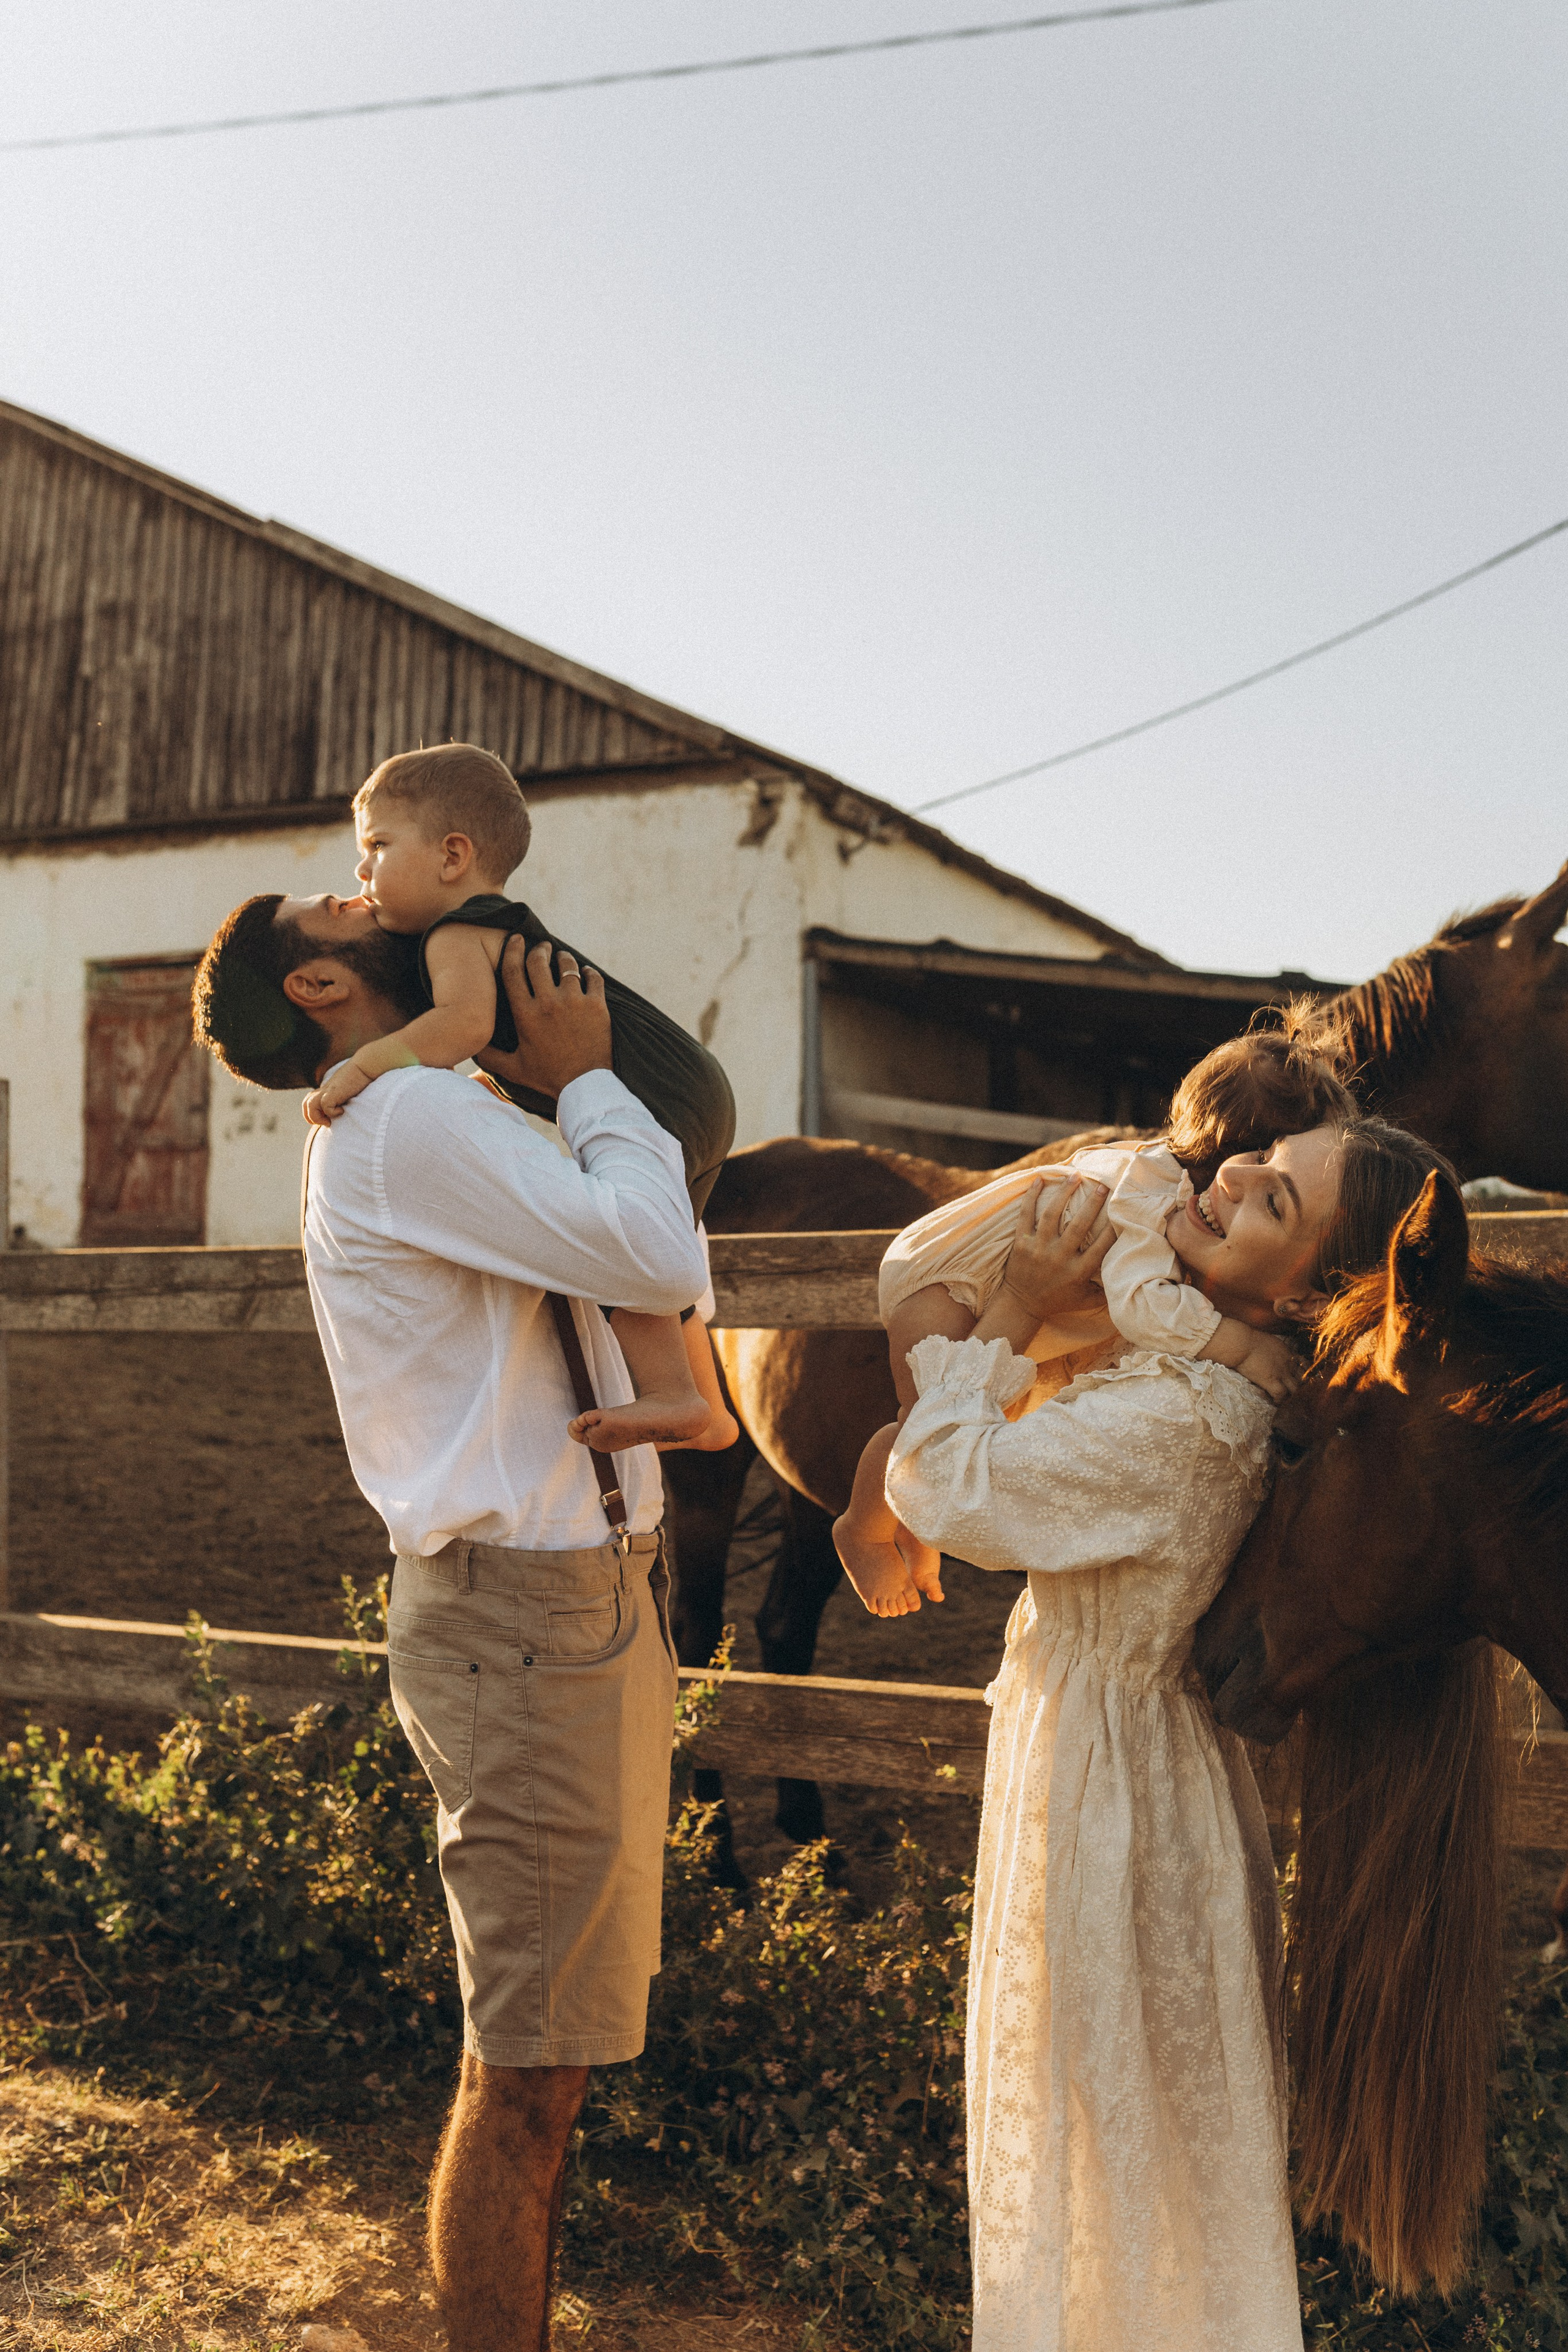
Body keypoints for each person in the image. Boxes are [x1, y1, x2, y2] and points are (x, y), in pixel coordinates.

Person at [192, 889, 710, 2352]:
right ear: (321, 980)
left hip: (568, 1601)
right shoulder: (406, 1119)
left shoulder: (439, 1103)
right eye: (349, 897)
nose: (389, 893)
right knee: (530, 2072)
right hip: (531, 1615)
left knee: (552, 2053)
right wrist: (597, 1074)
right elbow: (660, 1256)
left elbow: (627, 1252)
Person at [878, 1110, 1460, 2352]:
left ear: (1307, 1291)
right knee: (1125, 2148)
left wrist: (1005, 1311)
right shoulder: (1200, 1386)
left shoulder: (1188, 1426)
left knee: (1106, 2146)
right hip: (1129, 1776)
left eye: (1274, 1204)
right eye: (1261, 1158)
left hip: (1105, 1806)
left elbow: (943, 1484)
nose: (1235, 1170)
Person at [304, 741, 737, 1455]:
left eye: (378, 844)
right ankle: (688, 1398)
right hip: (686, 1090)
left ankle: (674, 1393)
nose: (361, 869)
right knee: (637, 1252)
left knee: (624, 1245)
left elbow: (463, 1024)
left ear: (451, 856)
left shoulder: (454, 933)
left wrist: (366, 1065)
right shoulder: (486, 927)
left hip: (651, 1092)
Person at [832, 1022, 1356, 1613]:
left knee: (962, 1414)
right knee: (921, 1423)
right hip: (949, 1278)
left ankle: (910, 1525)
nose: (1246, 1177)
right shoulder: (1147, 1201)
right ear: (1230, 1152)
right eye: (1264, 1159)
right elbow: (1142, 1306)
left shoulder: (1163, 1179)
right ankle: (864, 1529)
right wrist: (1238, 1345)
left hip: (963, 1268)